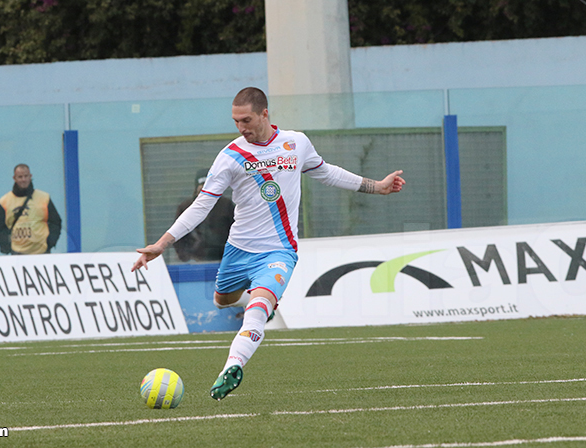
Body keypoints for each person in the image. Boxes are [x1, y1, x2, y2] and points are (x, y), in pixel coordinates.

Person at [131, 87, 406, 400]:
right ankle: (258, 305)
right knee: (222, 300)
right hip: (238, 249)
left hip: (279, 249)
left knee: (259, 306)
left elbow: (327, 172)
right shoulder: (230, 156)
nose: (241, 127)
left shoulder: (296, 143)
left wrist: (376, 186)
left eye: (246, 120)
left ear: (264, 114)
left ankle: (232, 367)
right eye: (236, 121)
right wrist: (162, 244)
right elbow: (202, 205)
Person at [0, 164, 62, 255]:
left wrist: (49, 243)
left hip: (41, 252)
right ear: (14, 178)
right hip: (17, 253)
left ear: (30, 176)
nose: (23, 179)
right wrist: (8, 246)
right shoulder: (5, 201)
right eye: (20, 177)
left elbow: (55, 222)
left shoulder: (44, 198)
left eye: (26, 176)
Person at [173, 168, 234, 262]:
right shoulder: (186, 207)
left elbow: (235, 231)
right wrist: (186, 258)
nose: (204, 189)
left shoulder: (226, 205)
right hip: (194, 262)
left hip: (223, 260)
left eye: (207, 185)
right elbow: (177, 234)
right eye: (201, 186)